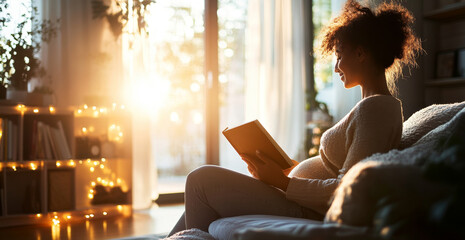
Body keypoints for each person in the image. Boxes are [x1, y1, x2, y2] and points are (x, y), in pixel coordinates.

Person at [169, 0, 422, 235]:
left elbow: (348, 189)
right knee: (200, 193)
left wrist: (282, 182)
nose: (336, 67)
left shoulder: (376, 109)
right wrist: (288, 167)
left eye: (339, 55)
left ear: (361, 53)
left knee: (201, 180)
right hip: (295, 195)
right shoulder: (372, 107)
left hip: (309, 210)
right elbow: (339, 167)